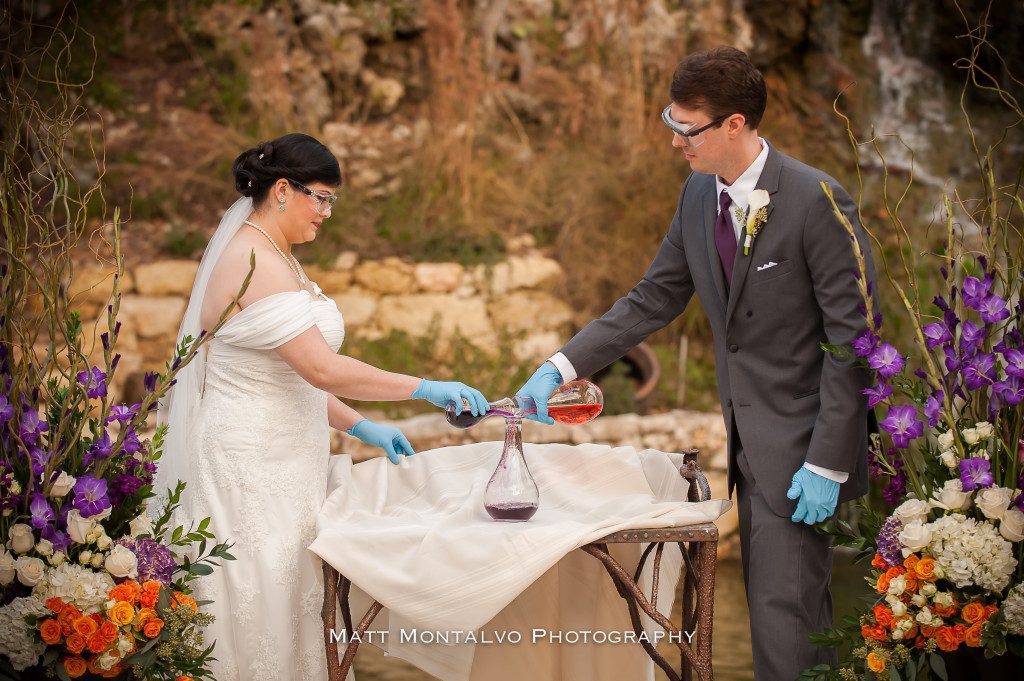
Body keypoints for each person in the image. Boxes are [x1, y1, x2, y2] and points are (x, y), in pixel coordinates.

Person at [517, 47, 877, 680]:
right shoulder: (695, 196)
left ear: (734, 124)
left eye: (688, 129)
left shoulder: (817, 200)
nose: (676, 141)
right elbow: (654, 297)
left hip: (803, 453)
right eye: (670, 122)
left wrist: (828, 459)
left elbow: (855, 341)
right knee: (784, 630)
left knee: (786, 629)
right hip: (743, 448)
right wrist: (563, 364)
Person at [156, 133, 489, 681]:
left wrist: (361, 425)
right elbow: (320, 368)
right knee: (253, 598)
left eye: (332, 201)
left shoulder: (277, 255)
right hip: (247, 469)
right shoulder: (251, 258)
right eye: (322, 198)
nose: (327, 214)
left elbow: (292, 378)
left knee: (291, 601)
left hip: (287, 461)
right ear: (283, 190)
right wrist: (423, 386)